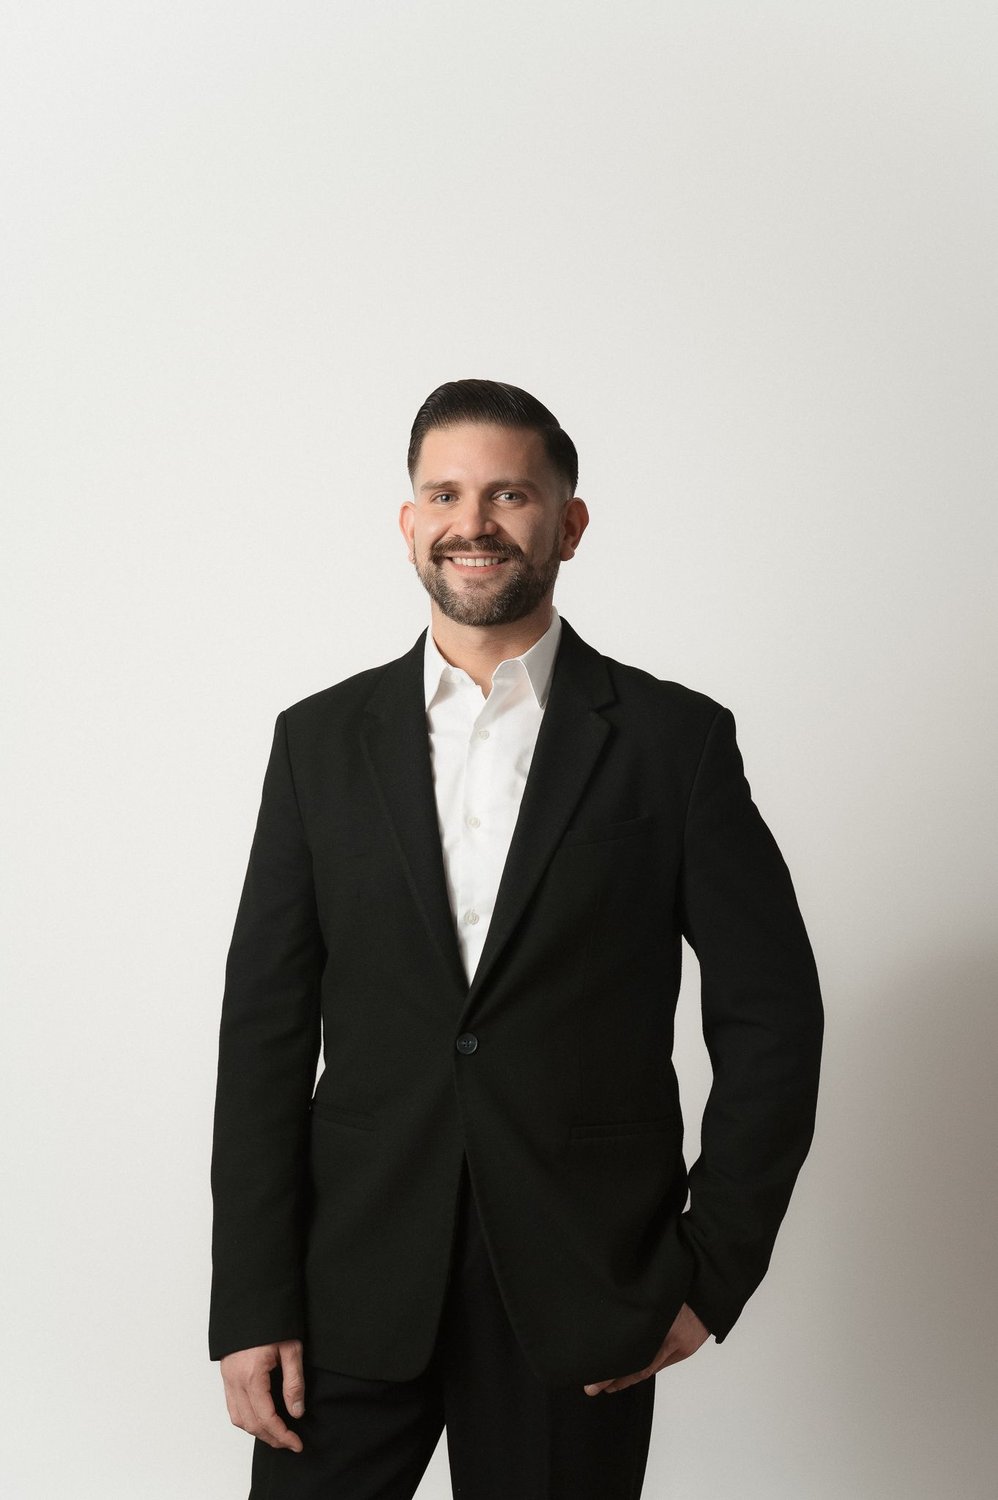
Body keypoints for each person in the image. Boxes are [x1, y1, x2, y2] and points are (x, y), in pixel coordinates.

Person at [209, 378, 823, 1499]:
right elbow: (263, 1033)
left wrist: (711, 1271)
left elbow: (773, 1017)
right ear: (409, 523)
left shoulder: (673, 743)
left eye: (510, 494)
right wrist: (249, 1298)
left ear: (568, 524)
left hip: (582, 1290)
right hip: (346, 1285)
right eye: (444, 494)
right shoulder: (317, 743)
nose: (473, 522)